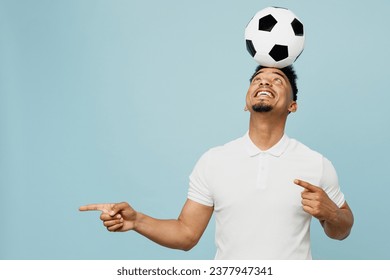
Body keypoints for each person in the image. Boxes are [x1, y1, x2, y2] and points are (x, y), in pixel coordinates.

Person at [79, 65, 354, 259]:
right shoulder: (214, 161)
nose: (265, 82)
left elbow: (343, 230)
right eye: (257, 79)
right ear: (246, 102)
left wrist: (331, 213)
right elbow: (186, 234)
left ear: (292, 105)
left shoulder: (315, 163)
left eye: (278, 80)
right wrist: (137, 220)